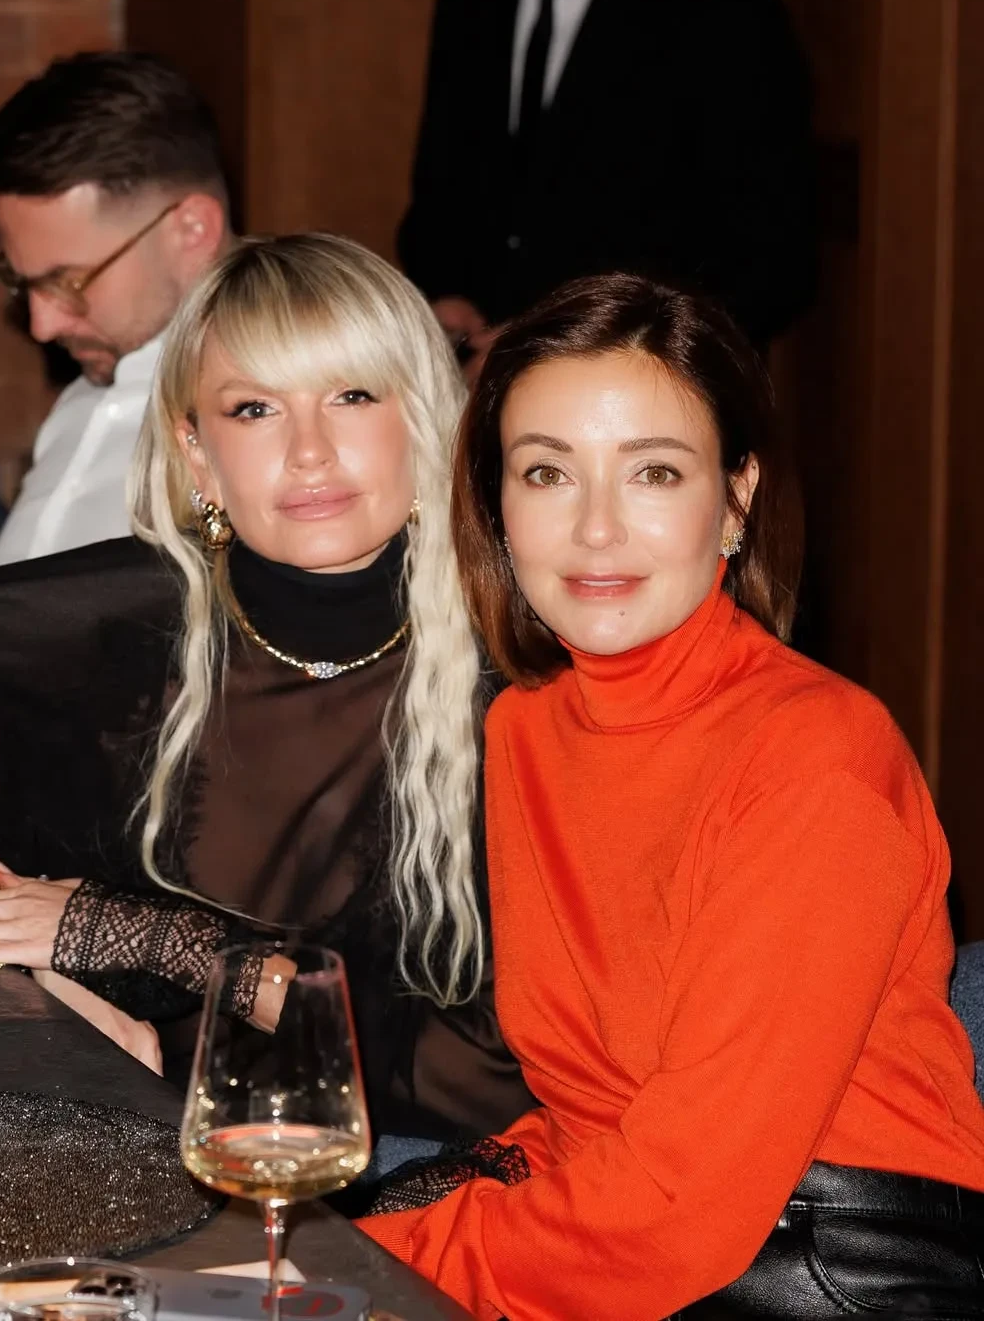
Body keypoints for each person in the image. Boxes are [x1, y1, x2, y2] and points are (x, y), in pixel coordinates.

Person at [359, 274, 984, 1317]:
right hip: (643, 1239)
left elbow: (679, 1207)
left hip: (832, 1266)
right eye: (547, 473)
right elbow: (591, 1112)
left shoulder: (818, 751)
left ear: (735, 497)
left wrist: (360, 1267)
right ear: (497, 505)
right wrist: (382, 1229)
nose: (596, 529)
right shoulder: (528, 727)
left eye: (653, 472)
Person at [0, 234, 532, 1156]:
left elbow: (488, 1070)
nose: (310, 451)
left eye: (353, 395)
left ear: (428, 418)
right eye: (255, 409)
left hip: (399, 1166)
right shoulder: (60, 633)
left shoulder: (521, 668)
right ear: (197, 455)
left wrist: (152, 942)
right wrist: (19, 963)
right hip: (98, 1136)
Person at [404, 0, 816, 373]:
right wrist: (447, 303)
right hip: (477, 390)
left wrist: (560, 351)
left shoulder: (725, 3)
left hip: (646, 393)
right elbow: (438, 204)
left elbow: (772, 261)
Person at [0, 51, 232, 567]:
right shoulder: (83, 399)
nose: (42, 325)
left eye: (68, 282)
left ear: (192, 230)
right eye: (24, 282)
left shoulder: (269, 423)